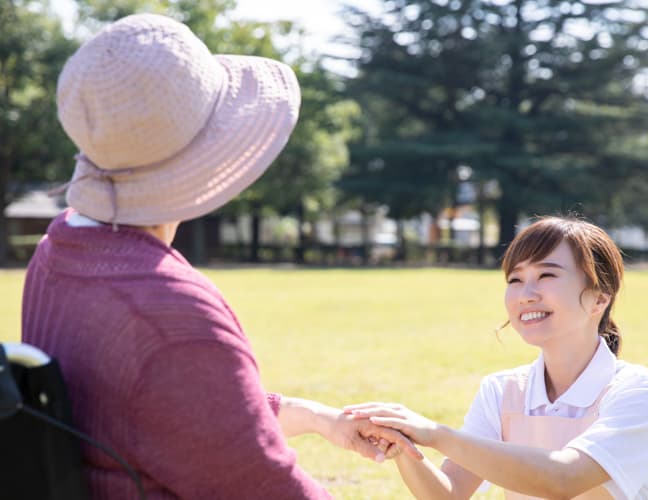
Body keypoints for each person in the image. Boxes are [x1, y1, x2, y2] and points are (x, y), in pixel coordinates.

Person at [21, 13, 418, 499]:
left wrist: (315, 418)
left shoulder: (57, 254)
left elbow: (168, 411)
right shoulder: (166, 313)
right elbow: (265, 489)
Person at [347, 216, 648, 499]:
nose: (526, 295)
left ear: (599, 298)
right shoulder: (501, 390)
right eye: (515, 279)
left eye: (547, 275)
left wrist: (435, 433)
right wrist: (403, 443)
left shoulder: (642, 392)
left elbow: (564, 478)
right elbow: (448, 494)